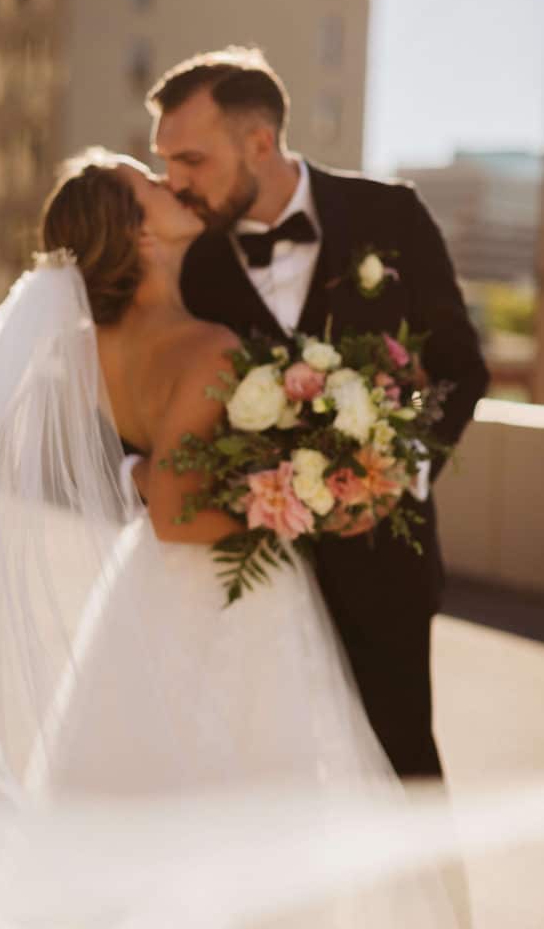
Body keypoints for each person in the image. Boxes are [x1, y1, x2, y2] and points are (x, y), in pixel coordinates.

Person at [0, 146, 460, 927]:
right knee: (243, 810)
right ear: (140, 236)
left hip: (140, 593)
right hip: (221, 596)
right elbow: (178, 514)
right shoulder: (203, 344)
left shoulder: (93, 344)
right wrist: (295, 505)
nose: (170, 184)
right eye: (149, 187)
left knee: (140, 793)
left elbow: (149, 474)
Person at [146, 46, 490, 782]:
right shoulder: (188, 259)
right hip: (244, 582)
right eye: (165, 161)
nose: (173, 182)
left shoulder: (388, 214)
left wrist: (401, 468)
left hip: (384, 574)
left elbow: (462, 368)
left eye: (191, 159)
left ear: (259, 142)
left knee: (403, 777)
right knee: (266, 790)